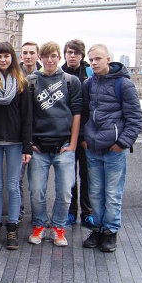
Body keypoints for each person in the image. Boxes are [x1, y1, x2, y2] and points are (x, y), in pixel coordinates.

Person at [82, 44, 142, 252]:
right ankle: (97, 228)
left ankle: (110, 232)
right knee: (95, 193)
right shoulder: (88, 84)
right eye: (91, 60)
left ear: (108, 59)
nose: (94, 63)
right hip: (93, 148)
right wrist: (84, 139)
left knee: (113, 194)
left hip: (114, 150)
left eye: (98, 59)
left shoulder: (123, 85)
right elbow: (84, 114)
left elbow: (135, 119)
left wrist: (122, 144)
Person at [27, 42, 81, 247]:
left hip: (64, 146)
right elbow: (26, 116)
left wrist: (73, 143)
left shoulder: (71, 82)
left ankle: (59, 227)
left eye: (53, 56)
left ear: (60, 57)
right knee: (36, 191)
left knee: (65, 192)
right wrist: (29, 142)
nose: (49, 60)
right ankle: (39, 224)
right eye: (46, 56)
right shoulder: (31, 81)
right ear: (40, 58)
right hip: (39, 147)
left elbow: (77, 113)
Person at [0, 42, 32, 250]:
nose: (2, 60)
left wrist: (27, 147)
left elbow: (27, 117)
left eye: (6, 56)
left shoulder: (22, 83)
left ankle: (12, 229)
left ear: (13, 58)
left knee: (13, 186)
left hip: (16, 143)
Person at [62, 39, 94, 227]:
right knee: (69, 176)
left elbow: (92, 107)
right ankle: (71, 212)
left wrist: (87, 135)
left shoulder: (90, 73)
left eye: (76, 53)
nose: (72, 56)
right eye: (69, 52)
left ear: (82, 55)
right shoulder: (59, 74)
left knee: (87, 175)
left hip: (85, 136)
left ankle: (87, 213)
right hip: (65, 134)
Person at [16, 41, 41, 223]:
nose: (28, 56)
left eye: (32, 52)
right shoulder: (14, 75)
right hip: (20, 136)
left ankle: (38, 218)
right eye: (25, 52)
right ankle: (18, 212)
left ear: (38, 55)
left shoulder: (45, 76)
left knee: (37, 183)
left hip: (40, 136)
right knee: (17, 179)